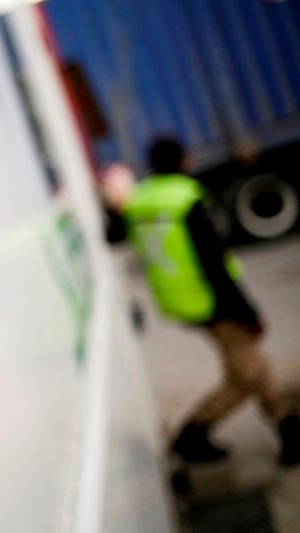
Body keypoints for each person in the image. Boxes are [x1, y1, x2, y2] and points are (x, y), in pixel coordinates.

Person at [123, 137, 299, 465]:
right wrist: (247, 311)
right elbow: (213, 265)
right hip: (213, 303)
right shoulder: (185, 199)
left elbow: (118, 234)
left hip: (181, 302)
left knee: (251, 367)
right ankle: (193, 434)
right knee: (248, 373)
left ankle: (290, 432)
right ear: (183, 159)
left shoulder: (140, 201)